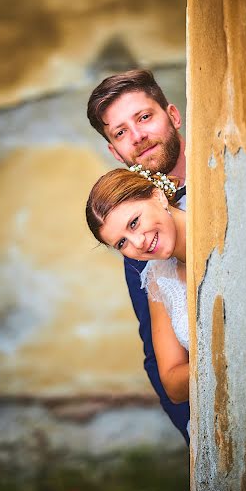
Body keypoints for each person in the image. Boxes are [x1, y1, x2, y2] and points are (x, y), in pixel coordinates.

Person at [87, 70, 190, 443]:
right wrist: (197, 434)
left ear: (173, 116)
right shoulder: (139, 248)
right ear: (115, 152)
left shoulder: (233, 175)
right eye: (120, 132)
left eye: (144, 117)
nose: (138, 137)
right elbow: (156, 353)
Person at [86, 165, 189, 406]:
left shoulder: (218, 221)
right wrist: (218, 359)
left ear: (158, 196)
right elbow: (172, 383)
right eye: (122, 243)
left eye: (133, 223)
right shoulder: (158, 278)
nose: (138, 243)